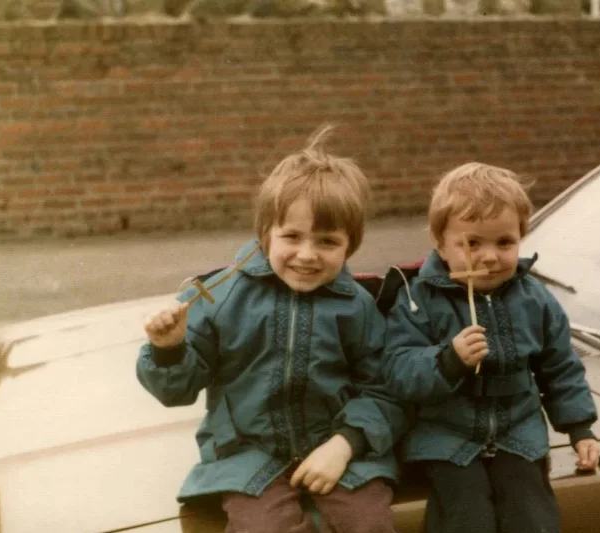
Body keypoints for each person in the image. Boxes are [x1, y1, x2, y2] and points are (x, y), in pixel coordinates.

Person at [136, 126, 404, 533]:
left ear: (350, 245)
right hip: (248, 456)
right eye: (292, 236)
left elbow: (384, 389)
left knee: (370, 524)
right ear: (265, 234)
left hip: (340, 452)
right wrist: (169, 350)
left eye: (327, 241)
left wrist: (346, 443)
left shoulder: (357, 305)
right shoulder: (221, 295)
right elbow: (176, 390)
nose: (307, 255)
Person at [383, 162, 600, 533]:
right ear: (440, 243)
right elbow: (398, 371)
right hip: (445, 436)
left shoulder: (536, 299)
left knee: (531, 515)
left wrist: (580, 430)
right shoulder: (417, 299)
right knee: (465, 518)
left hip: (518, 430)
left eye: (504, 242)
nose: (488, 256)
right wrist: (448, 359)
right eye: (471, 243)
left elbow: (560, 367)